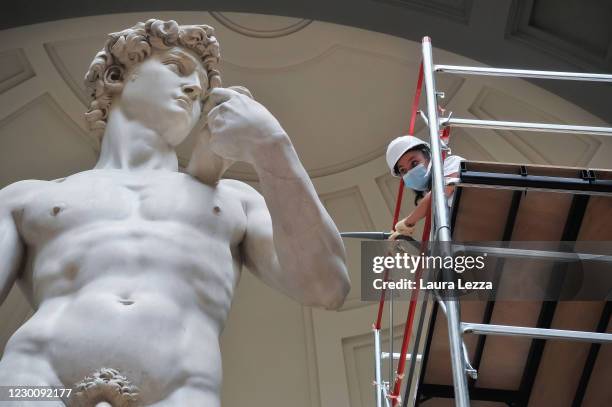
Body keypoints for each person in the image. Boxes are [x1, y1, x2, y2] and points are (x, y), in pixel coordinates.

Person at [0, 19, 350, 406]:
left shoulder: (232, 200)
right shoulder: (25, 198)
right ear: (117, 75)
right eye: (176, 68)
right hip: (35, 382)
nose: (193, 88)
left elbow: (327, 287)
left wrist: (272, 147)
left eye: (201, 90)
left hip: (181, 393)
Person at [385, 135, 463, 239]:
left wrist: (408, 223)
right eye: (403, 170)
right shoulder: (436, 222)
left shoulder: (451, 163)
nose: (410, 172)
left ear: (427, 155)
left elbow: (441, 192)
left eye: (414, 163)